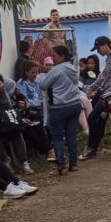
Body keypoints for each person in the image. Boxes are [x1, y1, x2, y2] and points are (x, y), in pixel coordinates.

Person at [36, 44, 81, 175]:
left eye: (54, 55)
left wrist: (39, 78)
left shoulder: (56, 70)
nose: (52, 58)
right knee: (71, 135)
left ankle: (60, 166)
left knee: (57, 137)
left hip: (59, 107)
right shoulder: (73, 68)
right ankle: (73, 164)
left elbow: (44, 85)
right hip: (75, 105)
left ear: (62, 56)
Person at [80, 36, 111, 160]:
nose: (98, 51)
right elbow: (102, 78)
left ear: (105, 46)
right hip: (108, 94)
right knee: (100, 121)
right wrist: (91, 88)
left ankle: (91, 147)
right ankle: (92, 148)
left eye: (98, 48)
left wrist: (109, 93)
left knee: (92, 118)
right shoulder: (109, 59)